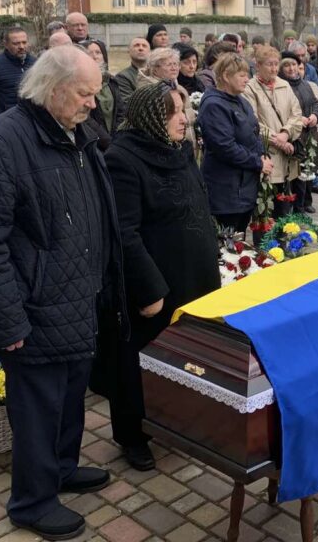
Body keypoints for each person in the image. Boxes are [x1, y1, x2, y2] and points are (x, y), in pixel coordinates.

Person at [0, 46, 127, 541]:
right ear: (53, 88)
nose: (93, 103)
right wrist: (6, 320)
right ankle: (32, 502)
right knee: (37, 412)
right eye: (85, 93)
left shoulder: (78, 133)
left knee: (69, 400)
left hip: (76, 298)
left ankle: (62, 469)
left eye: (95, 93)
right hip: (33, 308)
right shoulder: (0, 141)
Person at [101, 82, 220, 471]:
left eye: (183, 109)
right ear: (151, 117)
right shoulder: (122, 159)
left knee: (182, 357)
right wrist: (149, 290)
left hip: (192, 276)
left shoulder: (179, 150)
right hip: (154, 284)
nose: (183, 119)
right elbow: (124, 232)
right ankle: (133, 435)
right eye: (173, 112)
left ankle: (174, 419)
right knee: (139, 361)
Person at [198, 54, 274, 234]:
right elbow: (224, 147)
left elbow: (254, 133)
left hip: (244, 187)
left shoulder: (241, 101)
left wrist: (263, 155)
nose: (247, 79)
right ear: (226, 76)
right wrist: (257, 162)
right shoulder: (214, 105)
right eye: (242, 75)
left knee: (239, 237)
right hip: (226, 191)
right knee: (227, 240)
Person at [243, 46, 305, 218]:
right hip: (266, 156)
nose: (274, 68)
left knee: (283, 209)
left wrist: (286, 133)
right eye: (269, 64)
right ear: (258, 65)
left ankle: (283, 235)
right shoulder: (249, 89)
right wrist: (278, 141)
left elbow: (296, 114)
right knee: (264, 211)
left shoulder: (284, 85)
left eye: (276, 64)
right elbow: (252, 123)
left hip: (286, 158)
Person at [280, 52, 318, 213]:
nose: (291, 68)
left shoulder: (305, 84)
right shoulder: (282, 86)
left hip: (308, 135)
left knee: (306, 172)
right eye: (286, 65)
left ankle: (303, 205)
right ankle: (293, 208)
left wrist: (314, 116)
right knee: (293, 176)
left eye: (294, 65)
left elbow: (315, 103)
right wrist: (299, 120)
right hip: (292, 137)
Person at [0, 26, 35, 119]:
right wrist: (0, 111)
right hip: (7, 121)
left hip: (32, 118)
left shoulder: (35, 62)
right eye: (16, 43)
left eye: (24, 42)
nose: (21, 47)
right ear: (6, 44)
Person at [81, 40, 126, 150]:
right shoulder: (80, 84)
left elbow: (121, 111)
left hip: (115, 141)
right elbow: (86, 118)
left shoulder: (112, 82)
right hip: (93, 143)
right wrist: (107, 141)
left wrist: (117, 137)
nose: (94, 56)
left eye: (98, 52)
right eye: (89, 53)